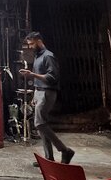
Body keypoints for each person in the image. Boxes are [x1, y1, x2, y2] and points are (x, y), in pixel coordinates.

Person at [19, 32, 75, 166]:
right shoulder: (38, 56)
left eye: (32, 44)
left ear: (39, 41)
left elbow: (52, 77)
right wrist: (35, 94)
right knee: (42, 124)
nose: (30, 47)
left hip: (47, 92)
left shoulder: (48, 56)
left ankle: (65, 150)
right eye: (29, 44)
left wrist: (32, 74)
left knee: (39, 123)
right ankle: (49, 158)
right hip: (39, 92)